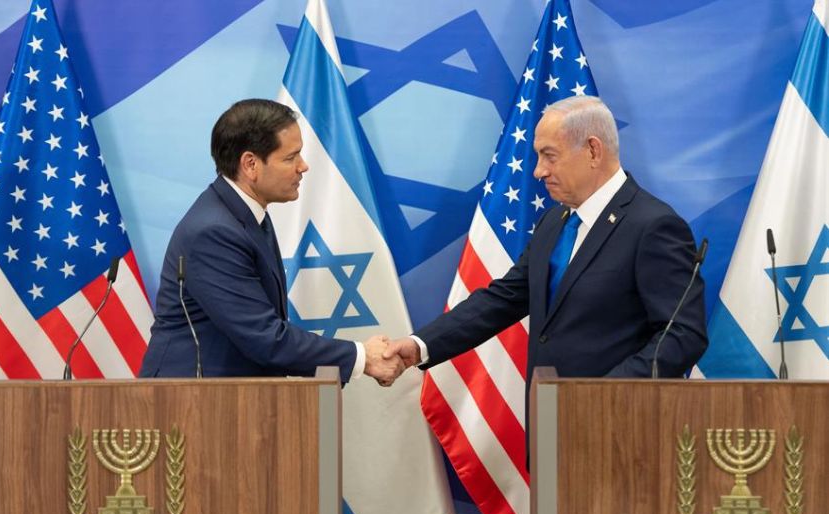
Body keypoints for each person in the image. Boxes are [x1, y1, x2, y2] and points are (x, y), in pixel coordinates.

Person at [385, 96, 708, 388]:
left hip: (613, 425)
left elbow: (682, 334)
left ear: (593, 150)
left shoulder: (652, 225)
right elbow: (504, 299)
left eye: (549, 156)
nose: (538, 171)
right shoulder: (555, 222)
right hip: (547, 414)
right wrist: (419, 345)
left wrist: (603, 395)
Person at [140, 99, 402, 385]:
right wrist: (362, 356)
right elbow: (264, 338)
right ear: (251, 164)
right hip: (188, 404)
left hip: (232, 399)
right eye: (291, 158)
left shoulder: (247, 215)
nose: (304, 166)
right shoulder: (214, 232)